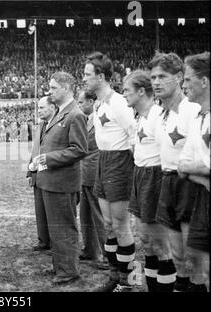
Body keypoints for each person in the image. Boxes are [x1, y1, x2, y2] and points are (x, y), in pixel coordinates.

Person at [27, 72, 88, 285]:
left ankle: (68, 270)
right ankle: (59, 266)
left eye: (53, 88)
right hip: (50, 181)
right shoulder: (60, 113)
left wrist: (48, 159)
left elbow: (79, 149)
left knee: (64, 227)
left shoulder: (75, 115)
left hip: (62, 183)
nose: (50, 91)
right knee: (55, 228)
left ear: (66, 88)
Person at [83, 52, 137, 292]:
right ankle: (115, 276)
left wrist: (131, 168)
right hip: (103, 162)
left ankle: (127, 282)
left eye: (87, 74)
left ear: (101, 77)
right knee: (107, 224)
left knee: (120, 225)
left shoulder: (118, 102)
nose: (84, 78)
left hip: (119, 161)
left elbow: (134, 134)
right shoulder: (99, 103)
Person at [150, 52, 202, 292]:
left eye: (163, 76)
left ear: (179, 77)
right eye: (153, 77)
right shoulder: (162, 111)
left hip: (189, 186)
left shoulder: (192, 110)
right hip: (167, 181)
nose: (156, 82)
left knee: (194, 259)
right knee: (177, 256)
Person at [122, 70, 173, 292]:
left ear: (141, 91)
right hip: (141, 176)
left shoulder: (157, 115)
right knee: (146, 241)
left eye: (126, 90)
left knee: (161, 246)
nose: (123, 94)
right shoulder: (140, 115)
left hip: (155, 178)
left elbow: (168, 155)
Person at [178, 52, 210, 292]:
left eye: (188, 79)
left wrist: (198, 169)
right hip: (202, 195)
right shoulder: (198, 118)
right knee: (201, 265)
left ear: (204, 81)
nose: (184, 84)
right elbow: (183, 164)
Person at [77, 90, 109, 271]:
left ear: (91, 101)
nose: (79, 105)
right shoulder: (87, 120)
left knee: (98, 216)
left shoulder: (99, 120)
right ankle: (89, 249)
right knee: (85, 215)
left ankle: (107, 255)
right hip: (84, 174)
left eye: (81, 102)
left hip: (94, 174)